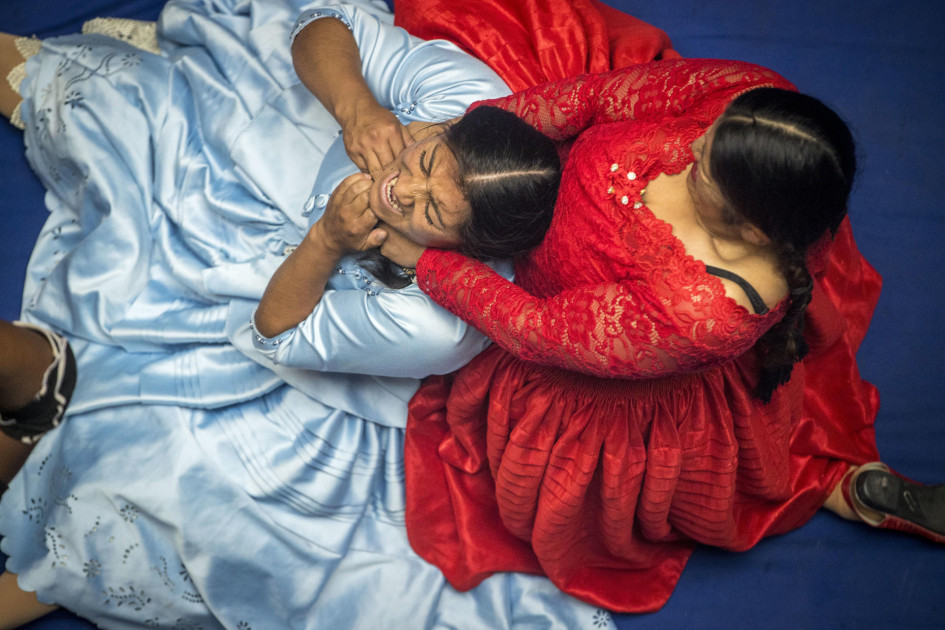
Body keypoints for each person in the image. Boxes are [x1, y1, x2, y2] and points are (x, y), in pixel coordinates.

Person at [0, 2, 630, 628]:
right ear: (445, 130)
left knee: (162, 476)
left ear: (465, 252)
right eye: (426, 162)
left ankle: (54, 454)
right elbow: (327, 26)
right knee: (127, 102)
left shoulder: (436, 324)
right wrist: (358, 107)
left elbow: (274, 333)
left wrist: (326, 241)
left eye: (430, 214)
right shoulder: (468, 99)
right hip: (262, 163)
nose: (401, 192)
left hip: (281, 306)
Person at [401, 59, 945, 613]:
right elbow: (595, 97)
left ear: (751, 230)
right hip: (523, 192)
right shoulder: (752, 102)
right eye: (710, 131)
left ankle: (839, 489)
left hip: (577, 359)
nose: (696, 142)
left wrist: (425, 261)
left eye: (703, 170)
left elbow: (535, 330)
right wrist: (471, 144)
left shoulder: (701, 310)